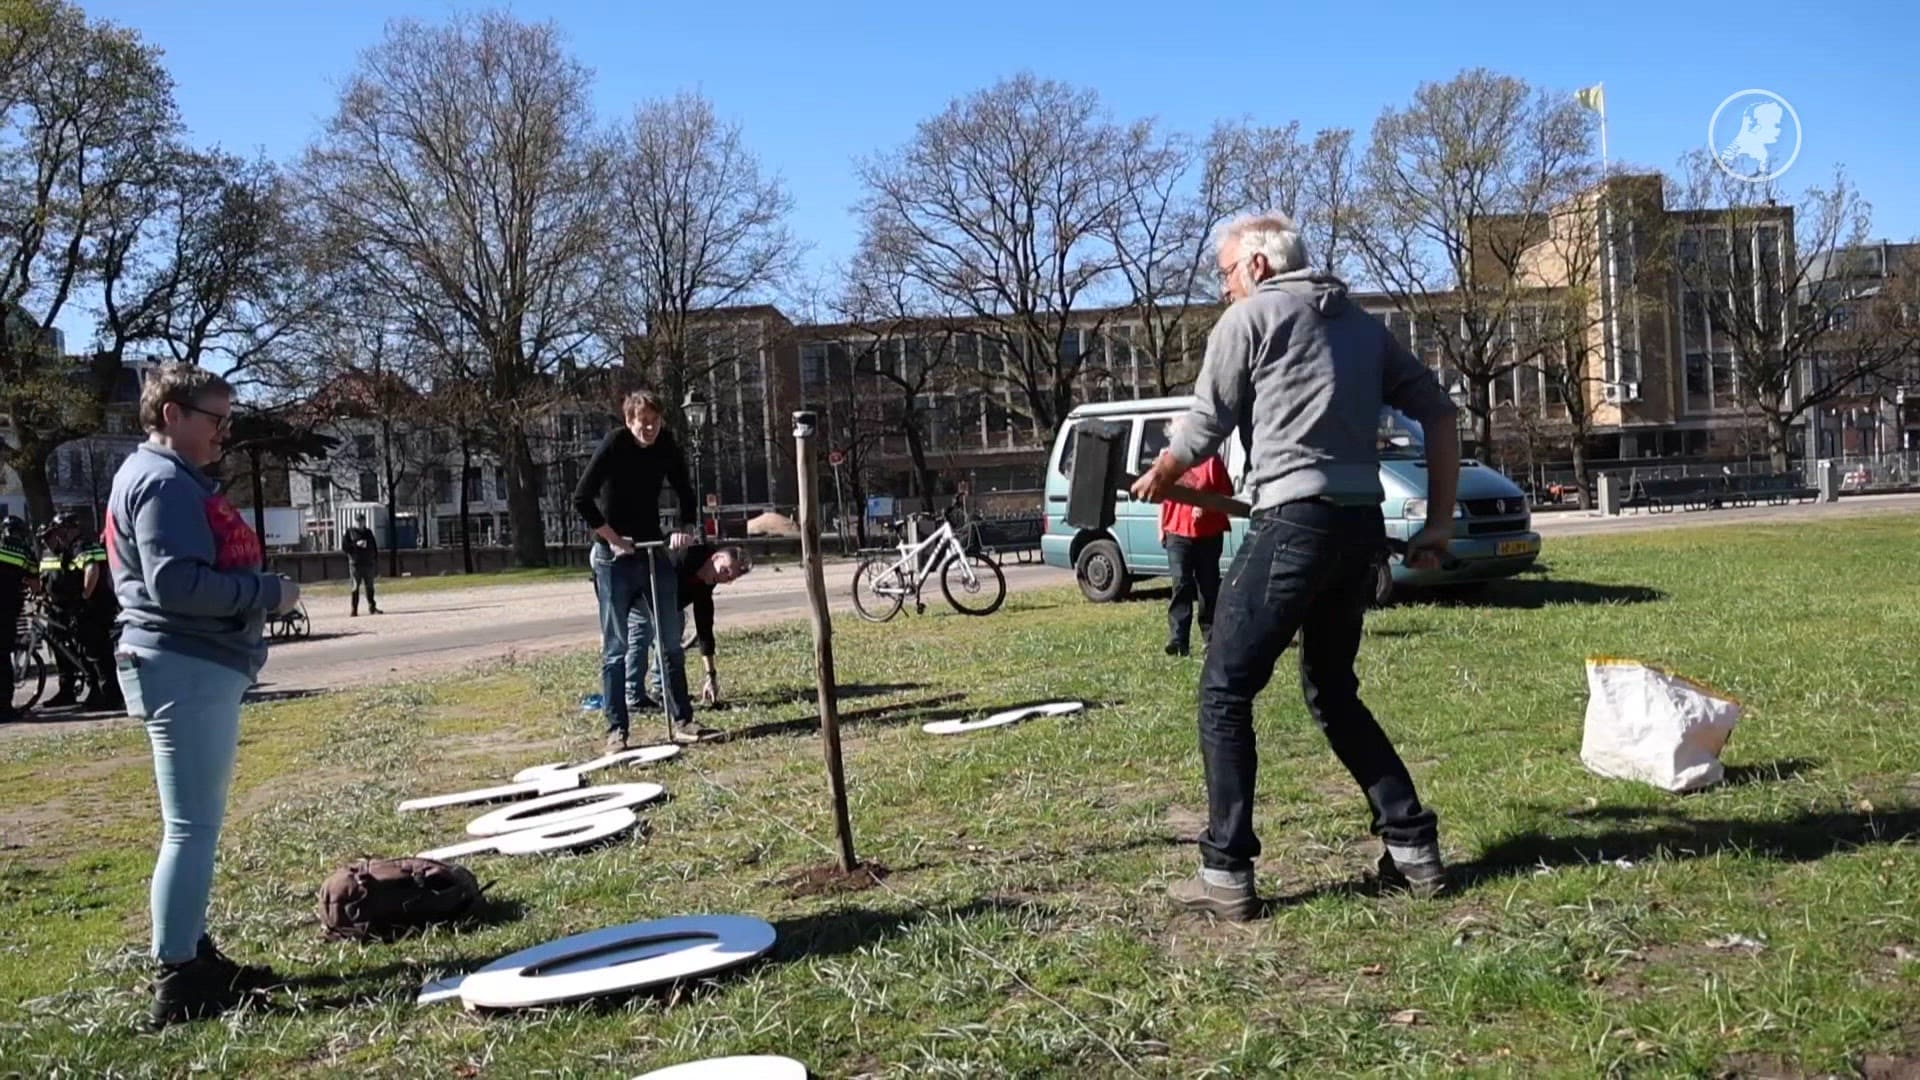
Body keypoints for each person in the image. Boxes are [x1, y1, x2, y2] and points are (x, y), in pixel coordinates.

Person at [1131, 212, 1461, 920]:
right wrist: (1435, 523)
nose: (1222, 289)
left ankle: (1226, 873)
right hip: (1358, 528)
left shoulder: (1250, 320)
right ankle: (1413, 850)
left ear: (1256, 265)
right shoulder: (1365, 327)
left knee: (1224, 692)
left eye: (1223, 273)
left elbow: (1202, 425)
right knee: (1333, 692)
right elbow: (1440, 412)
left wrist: (1162, 468)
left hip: (1291, 526)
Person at [104, 362, 300, 1025]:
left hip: (186, 664)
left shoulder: (162, 478)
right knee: (190, 829)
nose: (224, 433)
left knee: (193, 825)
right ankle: (181, 978)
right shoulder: (162, 483)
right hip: (184, 665)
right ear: (172, 416)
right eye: (216, 420)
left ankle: (191, 950)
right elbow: (177, 586)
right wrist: (268, 594)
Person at [572, 389, 717, 751]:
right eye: (642, 423)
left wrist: (685, 525)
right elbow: (581, 498)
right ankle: (616, 730)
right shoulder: (614, 445)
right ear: (629, 421)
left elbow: (686, 490)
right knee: (616, 644)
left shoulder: (666, 444)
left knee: (670, 638)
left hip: (652, 551)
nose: (649, 429)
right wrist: (613, 539)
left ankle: (683, 718)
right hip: (614, 557)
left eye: (654, 422)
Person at [636, 543, 752, 710]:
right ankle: (634, 697)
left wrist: (711, 677)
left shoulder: (707, 583)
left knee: (674, 629)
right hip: (642, 596)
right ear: (716, 557)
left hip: (671, 606)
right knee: (642, 634)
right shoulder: (685, 555)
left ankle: (661, 689)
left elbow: (705, 629)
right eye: (725, 570)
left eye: (729, 578)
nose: (723, 578)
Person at [1158, 453, 1233, 657]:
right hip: (1176, 530)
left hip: (1208, 534)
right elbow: (1163, 496)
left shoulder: (1211, 460)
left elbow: (1227, 493)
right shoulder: (1170, 457)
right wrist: (1161, 526)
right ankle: (1178, 640)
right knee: (1180, 583)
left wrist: (1206, 505)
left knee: (1208, 587)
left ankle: (1211, 640)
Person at [1, 515, 35, 724]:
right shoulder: (24, 551)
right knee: (3, 658)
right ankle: (4, 707)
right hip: (6, 610)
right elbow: (34, 581)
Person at [341, 513, 381, 616]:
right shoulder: (349, 532)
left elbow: (374, 546)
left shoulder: (368, 532)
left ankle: (372, 607)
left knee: (370, 587)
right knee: (355, 587)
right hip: (355, 565)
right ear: (355, 522)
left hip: (368, 564)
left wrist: (375, 559)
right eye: (358, 521)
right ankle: (354, 609)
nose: (360, 523)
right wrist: (355, 545)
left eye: (362, 521)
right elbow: (345, 547)